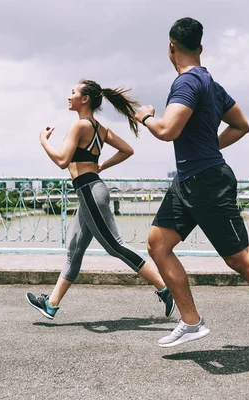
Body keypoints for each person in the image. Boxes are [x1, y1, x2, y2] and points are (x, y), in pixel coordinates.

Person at [133, 17, 249, 370]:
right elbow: (241, 126)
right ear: (200, 47)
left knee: (240, 259)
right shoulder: (211, 84)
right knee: (158, 244)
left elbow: (167, 129)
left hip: (207, 182)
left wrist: (145, 117)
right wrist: (206, 147)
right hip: (189, 180)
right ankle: (191, 321)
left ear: (171, 46)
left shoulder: (186, 82)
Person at [26, 79, 175, 319]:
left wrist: (43, 141)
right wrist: (102, 165)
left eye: (73, 92)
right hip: (91, 189)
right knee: (74, 250)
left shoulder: (79, 127)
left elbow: (63, 161)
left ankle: (165, 288)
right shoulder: (99, 128)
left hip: (89, 191)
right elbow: (127, 150)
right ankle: (51, 304)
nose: (69, 96)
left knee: (115, 245)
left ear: (85, 99)